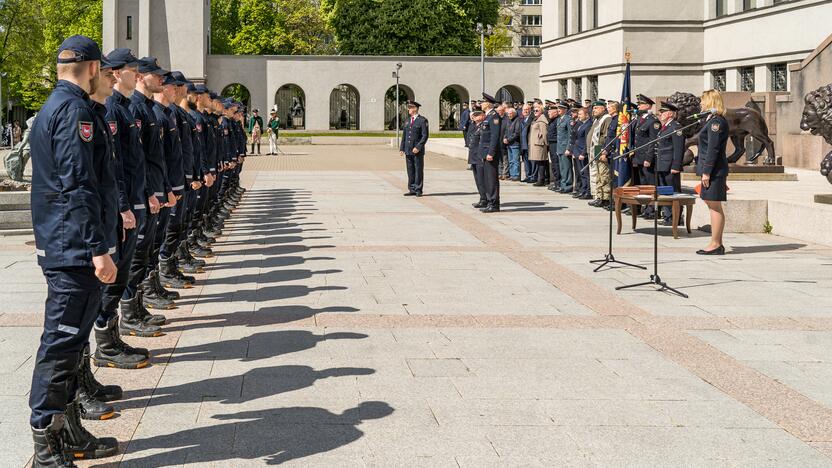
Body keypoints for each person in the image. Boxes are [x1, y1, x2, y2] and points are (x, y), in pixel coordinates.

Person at [28, 34, 120, 466]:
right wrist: (98, 247)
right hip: (73, 247)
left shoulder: (65, 105)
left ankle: (66, 433)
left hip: (70, 242)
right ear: (93, 68)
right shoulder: (73, 109)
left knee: (70, 341)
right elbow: (77, 184)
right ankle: (47, 443)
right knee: (61, 342)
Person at [696, 89, 730, 255]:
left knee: (714, 206)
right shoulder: (710, 120)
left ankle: (716, 243)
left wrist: (706, 172)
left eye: (703, 100)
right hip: (710, 169)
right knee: (712, 205)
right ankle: (716, 242)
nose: (700, 104)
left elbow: (713, 149)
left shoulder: (717, 122)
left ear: (710, 102)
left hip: (714, 171)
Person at [656, 101, 685, 226]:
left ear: (670, 114)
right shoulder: (665, 127)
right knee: (664, 192)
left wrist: (676, 165)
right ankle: (668, 216)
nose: (660, 114)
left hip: (670, 166)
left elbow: (679, 149)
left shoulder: (675, 127)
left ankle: (676, 217)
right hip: (662, 165)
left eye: (662, 112)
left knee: (673, 192)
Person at [632, 94, 660, 218]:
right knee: (643, 185)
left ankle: (652, 209)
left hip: (647, 159)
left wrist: (649, 158)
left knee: (650, 185)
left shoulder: (653, 121)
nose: (638, 106)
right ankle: (645, 208)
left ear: (648, 106)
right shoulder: (640, 120)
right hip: (639, 157)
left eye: (640, 104)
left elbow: (653, 141)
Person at [479, 93, 503, 212]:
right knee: (487, 178)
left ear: (488, 104)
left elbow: (495, 136)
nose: (480, 104)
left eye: (482, 102)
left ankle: (494, 203)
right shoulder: (488, 116)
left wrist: (491, 152)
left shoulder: (494, 117)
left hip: (490, 153)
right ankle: (489, 201)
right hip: (485, 152)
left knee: (492, 179)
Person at [400, 100, 429, 197]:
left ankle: (418, 189)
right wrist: (402, 148)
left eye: (410, 107)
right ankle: (411, 188)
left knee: (418, 169)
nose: (408, 109)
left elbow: (424, 136)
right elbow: (404, 135)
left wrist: (418, 147)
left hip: (417, 150)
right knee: (410, 170)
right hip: (408, 149)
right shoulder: (408, 120)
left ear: (415, 109)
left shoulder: (422, 120)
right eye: (408, 107)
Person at [587, 100, 613, 208]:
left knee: (603, 174)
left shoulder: (606, 119)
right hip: (595, 148)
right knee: (597, 173)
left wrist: (603, 151)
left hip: (600, 148)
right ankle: (599, 196)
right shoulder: (597, 120)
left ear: (603, 108)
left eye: (596, 108)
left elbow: (605, 137)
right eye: (593, 109)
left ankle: (605, 198)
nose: (594, 110)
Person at [570, 107, 593, 199]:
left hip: (582, 152)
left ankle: (587, 191)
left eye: (580, 114)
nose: (578, 116)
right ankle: (583, 190)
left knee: (585, 173)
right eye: (578, 114)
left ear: (587, 115)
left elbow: (587, 141)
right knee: (581, 173)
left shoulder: (588, 125)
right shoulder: (580, 124)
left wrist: (583, 153)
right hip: (577, 151)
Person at [467, 110, 486, 207]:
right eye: (473, 115)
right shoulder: (475, 126)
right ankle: (482, 197)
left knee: (482, 179)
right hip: (473, 156)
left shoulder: (484, 127)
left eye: (476, 115)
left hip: (479, 157)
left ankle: (485, 199)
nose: (473, 117)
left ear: (482, 116)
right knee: (477, 179)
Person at [529, 103, 549, 187]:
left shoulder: (542, 120)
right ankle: (540, 179)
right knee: (538, 162)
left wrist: (546, 144)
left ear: (541, 111)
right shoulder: (536, 119)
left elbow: (544, 133)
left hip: (540, 144)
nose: (535, 112)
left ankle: (541, 180)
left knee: (541, 162)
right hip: (535, 144)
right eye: (534, 110)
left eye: (537, 110)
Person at [555, 101, 573, 193]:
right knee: (562, 168)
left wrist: (568, 148)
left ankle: (568, 186)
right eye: (558, 108)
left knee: (567, 167)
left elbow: (570, 135)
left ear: (565, 110)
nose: (558, 110)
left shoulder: (568, 119)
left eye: (560, 108)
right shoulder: (559, 119)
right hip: (560, 147)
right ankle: (563, 185)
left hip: (565, 147)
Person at [504, 106, 522, 181]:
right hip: (509, 143)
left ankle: (516, 175)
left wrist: (508, 139)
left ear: (514, 113)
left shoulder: (517, 120)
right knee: (510, 160)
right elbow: (506, 130)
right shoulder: (509, 120)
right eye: (508, 114)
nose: (509, 115)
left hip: (515, 143)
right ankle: (512, 175)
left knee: (515, 161)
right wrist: (505, 138)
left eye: (510, 113)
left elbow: (517, 133)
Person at [546, 102, 559, 189]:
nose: (548, 114)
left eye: (550, 112)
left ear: (555, 113)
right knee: (554, 164)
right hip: (551, 143)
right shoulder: (551, 121)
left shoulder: (557, 121)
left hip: (555, 144)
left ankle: (558, 182)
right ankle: (555, 182)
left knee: (556, 163)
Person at [519, 103, 534, 182]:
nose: (525, 111)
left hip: (529, 144)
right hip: (523, 144)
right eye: (524, 110)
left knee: (531, 161)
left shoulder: (532, 119)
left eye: (527, 109)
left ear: (530, 110)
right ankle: (527, 176)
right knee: (525, 162)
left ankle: (532, 176)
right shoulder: (521, 119)